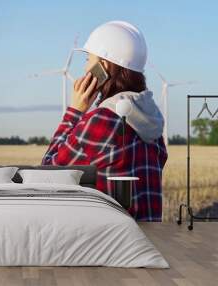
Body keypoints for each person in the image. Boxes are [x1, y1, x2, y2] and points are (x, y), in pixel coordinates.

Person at [41, 21, 168, 221]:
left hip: (112, 247)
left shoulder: (103, 120)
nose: (85, 67)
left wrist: (75, 111)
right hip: (148, 244)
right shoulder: (154, 123)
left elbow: (48, 175)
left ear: (104, 65)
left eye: (87, 58)